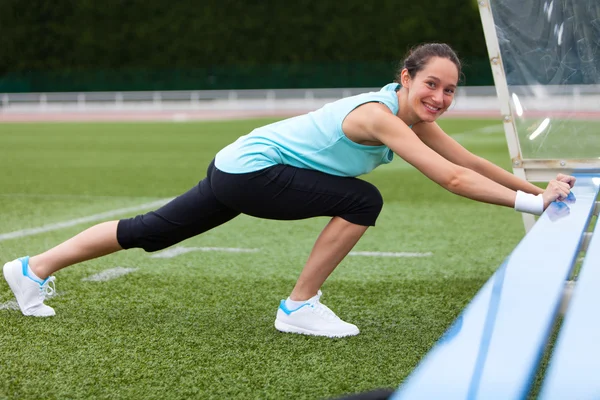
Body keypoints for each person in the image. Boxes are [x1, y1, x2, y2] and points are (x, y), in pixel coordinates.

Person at [3, 43, 575, 338]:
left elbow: (468, 159)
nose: (441, 98)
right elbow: (450, 179)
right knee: (362, 200)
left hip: (235, 164)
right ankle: (298, 307)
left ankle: (30, 269)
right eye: (432, 85)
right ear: (406, 77)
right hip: (251, 171)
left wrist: (534, 186)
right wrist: (530, 204)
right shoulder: (379, 115)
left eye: (450, 90)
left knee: (150, 232)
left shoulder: (414, 118)